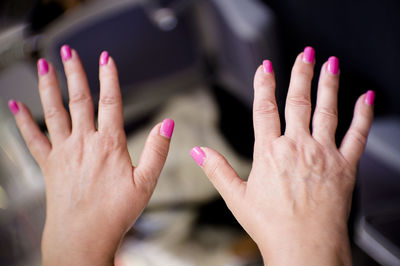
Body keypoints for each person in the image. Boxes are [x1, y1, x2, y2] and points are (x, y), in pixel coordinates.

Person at [8, 45, 374, 265]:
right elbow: (217, 252)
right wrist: (309, 247)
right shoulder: (156, 250)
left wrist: (74, 249)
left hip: (216, 127)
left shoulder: (104, 172)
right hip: (254, 180)